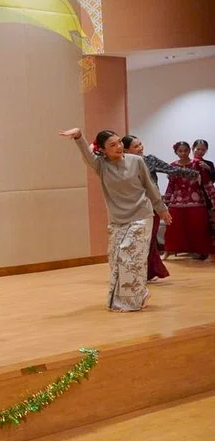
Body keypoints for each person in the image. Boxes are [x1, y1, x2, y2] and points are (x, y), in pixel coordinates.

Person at [59, 128, 170, 311]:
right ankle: (136, 294)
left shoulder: (137, 161)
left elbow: (149, 187)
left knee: (129, 256)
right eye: (112, 145)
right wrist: (79, 136)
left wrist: (162, 208)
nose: (119, 147)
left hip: (141, 216)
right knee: (115, 259)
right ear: (102, 150)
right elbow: (87, 154)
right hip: (118, 220)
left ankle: (131, 301)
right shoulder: (100, 165)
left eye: (119, 142)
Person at [121, 135, 197, 279]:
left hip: (152, 205)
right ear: (126, 150)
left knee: (149, 239)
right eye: (136, 146)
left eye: (140, 144)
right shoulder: (122, 163)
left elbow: (171, 169)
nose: (141, 148)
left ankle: (148, 272)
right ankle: (137, 272)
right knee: (136, 241)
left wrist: (194, 173)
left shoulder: (149, 160)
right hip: (132, 207)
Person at [162, 141, 215, 260]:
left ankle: (205, 252)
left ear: (189, 150)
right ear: (176, 152)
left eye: (185, 150)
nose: (183, 153)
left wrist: (213, 198)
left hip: (196, 201)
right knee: (172, 228)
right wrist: (165, 200)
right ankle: (168, 251)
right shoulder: (173, 166)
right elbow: (171, 185)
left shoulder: (197, 164)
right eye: (180, 151)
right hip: (177, 202)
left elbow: (207, 182)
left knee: (199, 227)